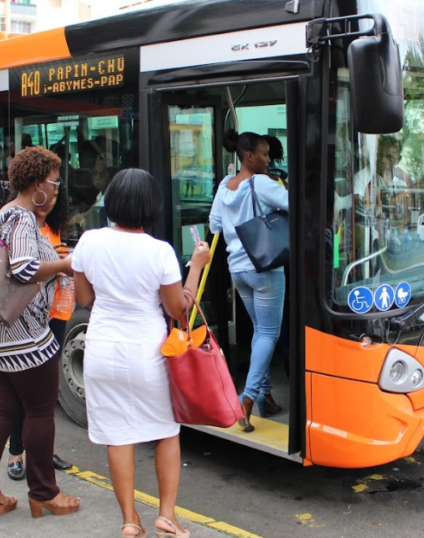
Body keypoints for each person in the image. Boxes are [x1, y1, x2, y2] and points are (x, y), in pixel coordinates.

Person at [71, 168, 210, 538]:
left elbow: (84, 299)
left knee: (118, 436)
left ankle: (131, 520)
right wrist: (196, 266)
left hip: (101, 349)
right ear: (151, 206)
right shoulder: (160, 251)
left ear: (112, 201)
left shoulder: (88, 241)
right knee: (165, 431)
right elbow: (178, 310)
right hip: (146, 352)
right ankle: (167, 515)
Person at [0, 146, 81, 521]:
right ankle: (45, 493)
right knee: (40, 412)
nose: (57, 188)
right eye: (54, 181)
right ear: (37, 185)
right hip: (22, 335)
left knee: (3, 409)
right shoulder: (24, 219)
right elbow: (24, 268)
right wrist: (65, 264)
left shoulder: (3, 213)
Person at [209, 131, 288, 432]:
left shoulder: (224, 186)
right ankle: (248, 398)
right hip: (264, 267)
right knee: (269, 333)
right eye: (264, 154)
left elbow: (215, 224)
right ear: (248, 156)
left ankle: (266, 396)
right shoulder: (263, 183)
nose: (268, 159)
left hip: (238, 271)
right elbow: (296, 205)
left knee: (260, 332)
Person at [5, 181, 75, 481]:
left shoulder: (57, 229)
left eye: (56, 195)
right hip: (30, 316)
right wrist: (60, 264)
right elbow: (20, 271)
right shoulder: (23, 226)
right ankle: (15, 454)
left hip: (58, 312)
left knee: (47, 394)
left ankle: (42, 453)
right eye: (46, 194)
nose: (49, 200)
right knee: (23, 393)